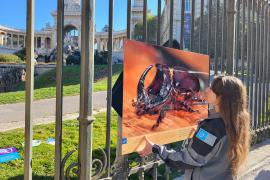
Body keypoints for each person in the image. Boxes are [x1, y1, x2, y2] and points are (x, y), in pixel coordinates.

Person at [138, 75, 251, 180]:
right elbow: (211, 146)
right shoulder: (234, 121)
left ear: (221, 98)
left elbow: (187, 160)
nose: (206, 90)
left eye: (211, 89)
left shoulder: (213, 128)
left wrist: (156, 148)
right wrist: (200, 134)